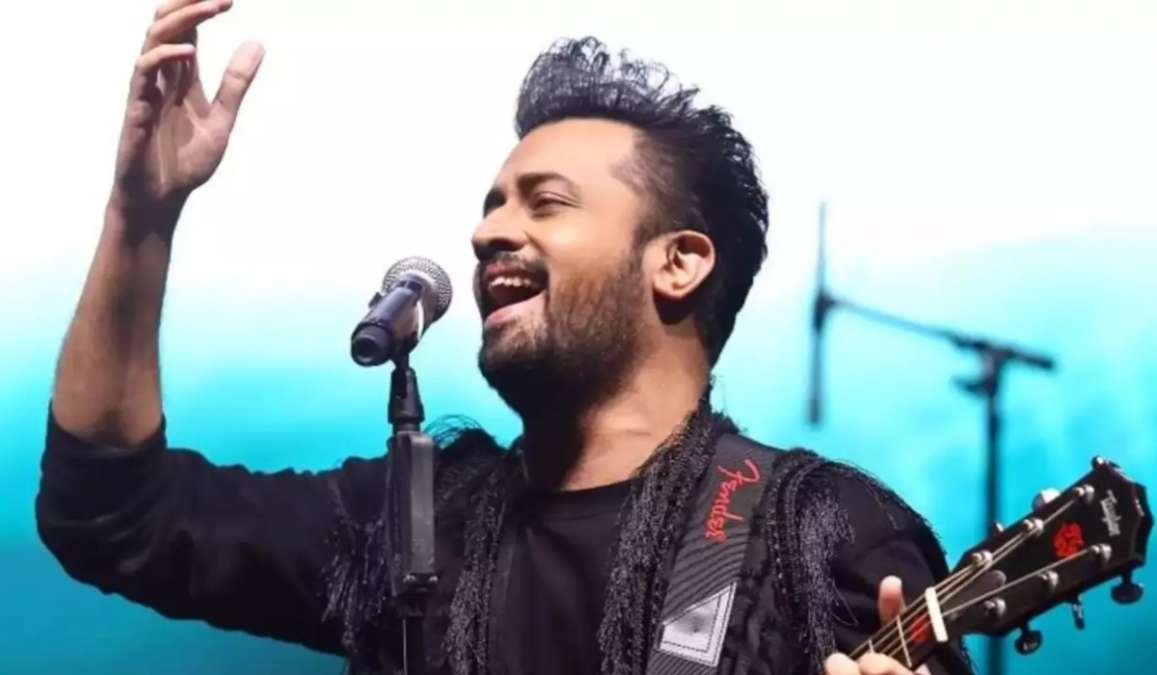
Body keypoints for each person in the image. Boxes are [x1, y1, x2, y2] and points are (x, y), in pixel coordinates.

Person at [36, 2, 972, 675]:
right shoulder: (413, 519)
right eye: (489, 206)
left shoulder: (820, 532)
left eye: (544, 203)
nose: (487, 233)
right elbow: (111, 513)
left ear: (679, 262)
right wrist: (140, 215)